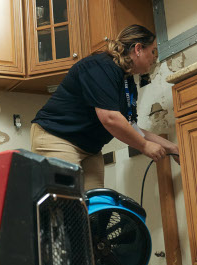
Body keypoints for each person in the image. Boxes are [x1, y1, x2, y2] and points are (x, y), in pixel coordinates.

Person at [30, 24, 179, 191]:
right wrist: (144, 146)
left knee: (97, 202)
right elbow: (109, 118)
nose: (154, 58)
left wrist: (172, 147)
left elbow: (131, 127)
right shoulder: (100, 66)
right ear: (138, 49)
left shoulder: (128, 81)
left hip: (90, 148)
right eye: (152, 51)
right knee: (66, 199)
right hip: (58, 137)